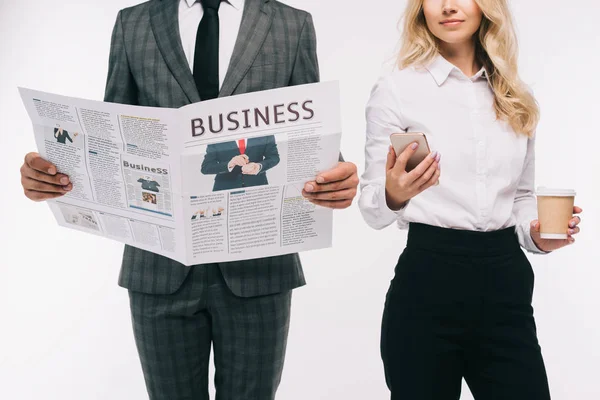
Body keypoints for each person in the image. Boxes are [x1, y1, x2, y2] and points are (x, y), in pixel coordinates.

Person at [19, 1, 359, 399]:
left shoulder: (291, 24)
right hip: (158, 265)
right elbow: (110, 137)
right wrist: (53, 175)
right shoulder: (134, 22)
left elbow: (308, 131)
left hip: (260, 266)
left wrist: (335, 174)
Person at [358, 1, 583, 399]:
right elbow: (372, 206)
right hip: (427, 281)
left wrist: (537, 234)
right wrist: (395, 193)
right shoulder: (397, 89)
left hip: (505, 284)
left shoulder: (517, 94)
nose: (448, 7)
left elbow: (523, 198)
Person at [201, 136, 279, 191]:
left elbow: (274, 157)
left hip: (257, 186)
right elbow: (206, 167)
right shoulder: (216, 136)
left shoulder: (264, 132)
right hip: (225, 187)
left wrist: (259, 166)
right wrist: (229, 164)